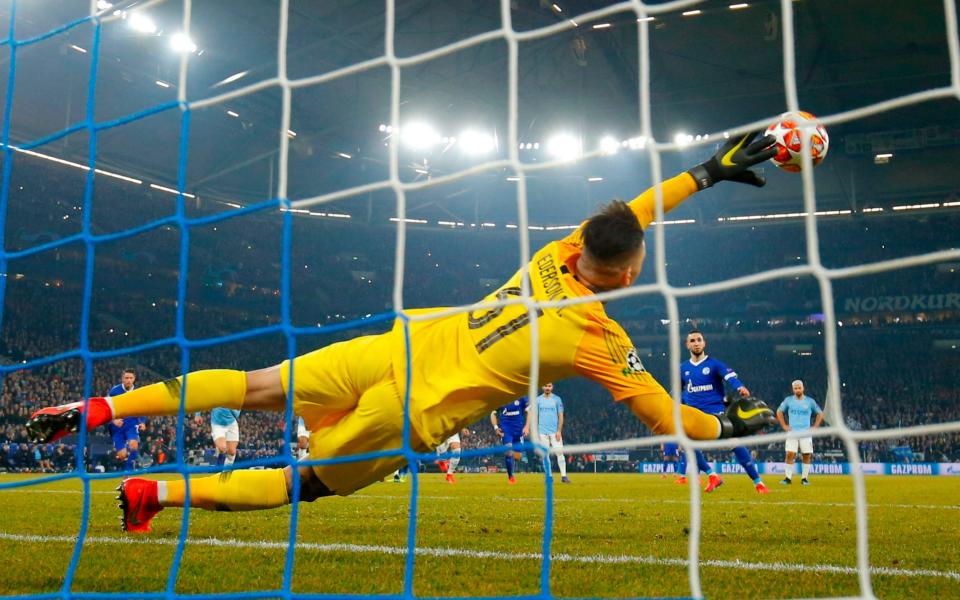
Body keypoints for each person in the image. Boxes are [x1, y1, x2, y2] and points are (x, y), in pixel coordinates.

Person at [25, 132, 778, 533]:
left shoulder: (557, 251)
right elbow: (660, 416)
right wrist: (729, 429)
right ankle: (153, 491)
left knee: (257, 386)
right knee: (301, 485)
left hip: (396, 346)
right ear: (624, 276)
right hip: (409, 413)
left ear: (582, 249)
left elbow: (629, 215)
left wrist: (706, 173)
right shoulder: (596, 340)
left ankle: (100, 409)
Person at [677, 330, 770, 495]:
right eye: (692, 340)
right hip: (694, 416)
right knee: (686, 444)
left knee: (734, 444)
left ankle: (758, 483)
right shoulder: (683, 368)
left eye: (699, 340)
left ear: (704, 343)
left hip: (716, 415)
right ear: (687, 345)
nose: (696, 343)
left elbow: (730, 377)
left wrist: (739, 386)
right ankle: (712, 476)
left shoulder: (714, 364)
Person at [776, 380, 823, 485]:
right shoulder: (788, 400)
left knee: (806, 454)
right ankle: (787, 478)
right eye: (795, 388)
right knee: (790, 454)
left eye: (799, 388)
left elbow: (820, 413)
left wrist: (815, 426)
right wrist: (784, 425)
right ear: (793, 389)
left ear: (803, 388)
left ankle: (804, 479)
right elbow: (779, 411)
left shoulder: (810, 401)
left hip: (805, 433)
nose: (797, 390)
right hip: (792, 432)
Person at [105, 369, 145, 472]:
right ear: (122, 379)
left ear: (134, 379)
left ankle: (128, 472)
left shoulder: (138, 392)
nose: (128, 380)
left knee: (133, 445)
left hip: (131, 422)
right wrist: (114, 420)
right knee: (122, 455)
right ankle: (127, 463)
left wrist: (142, 422)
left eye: (131, 378)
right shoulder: (114, 391)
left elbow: (143, 408)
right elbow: (107, 408)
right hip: (117, 426)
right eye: (126, 378)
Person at [534, 382, 569, 483]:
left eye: (549, 386)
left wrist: (559, 431)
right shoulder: (538, 400)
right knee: (545, 455)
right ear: (542, 387)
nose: (547, 388)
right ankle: (549, 476)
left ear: (552, 387)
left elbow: (561, 416)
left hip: (555, 432)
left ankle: (564, 476)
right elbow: (535, 416)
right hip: (542, 432)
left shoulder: (557, 399)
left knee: (560, 453)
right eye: (545, 386)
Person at [490, 397, 530, 484]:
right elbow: (493, 414)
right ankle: (511, 477)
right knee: (509, 453)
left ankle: (512, 466)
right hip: (506, 431)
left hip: (518, 432)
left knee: (518, 456)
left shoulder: (522, 398)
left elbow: (529, 412)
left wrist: (527, 427)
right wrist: (496, 428)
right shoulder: (502, 398)